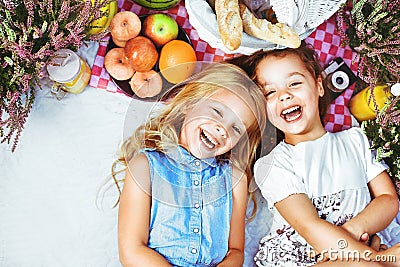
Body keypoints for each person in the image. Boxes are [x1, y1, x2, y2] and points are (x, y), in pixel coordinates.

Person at [227, 44, 400, 266]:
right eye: (270, 92)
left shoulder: (355, 140)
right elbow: (310, 227)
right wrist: (377, 260)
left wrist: (354, 229)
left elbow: (388, 200)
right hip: (302, 260)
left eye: (294, 83)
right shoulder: (272, 164)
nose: (284, 96)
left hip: (357, 249)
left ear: (319, 85)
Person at [114, 63, 267, 267]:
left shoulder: (234, 179)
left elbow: (236, 251)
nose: (222, 129)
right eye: (217, 112)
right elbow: (132, 251)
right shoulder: (145, 166)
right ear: (189, 103)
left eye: (236, 128)